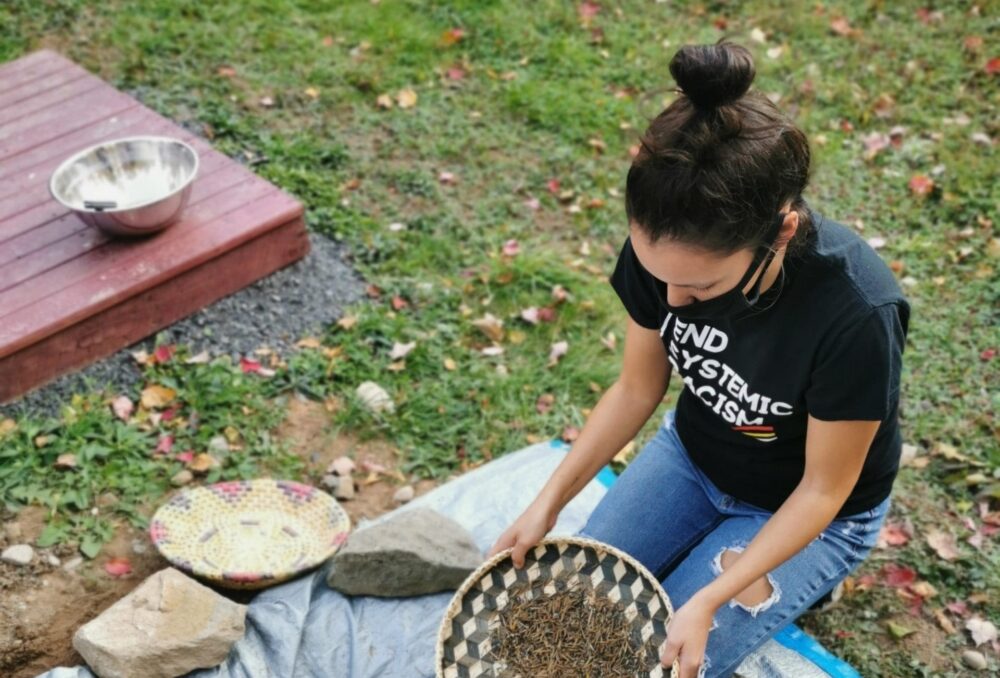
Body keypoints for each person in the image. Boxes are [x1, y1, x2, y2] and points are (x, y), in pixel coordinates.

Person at [486, 38, 910, 678]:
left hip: (809, 508)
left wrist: (709, 599)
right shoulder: (668, 249)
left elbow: (825, 488)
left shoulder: (856, 313)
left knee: (651, 662)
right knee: (564, 615)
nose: (674, 302)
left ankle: (805, 577)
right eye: (661, 279)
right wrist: (549, 501)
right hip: (692, 456)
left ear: (782, 231)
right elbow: (636, 389)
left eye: (702, 289)